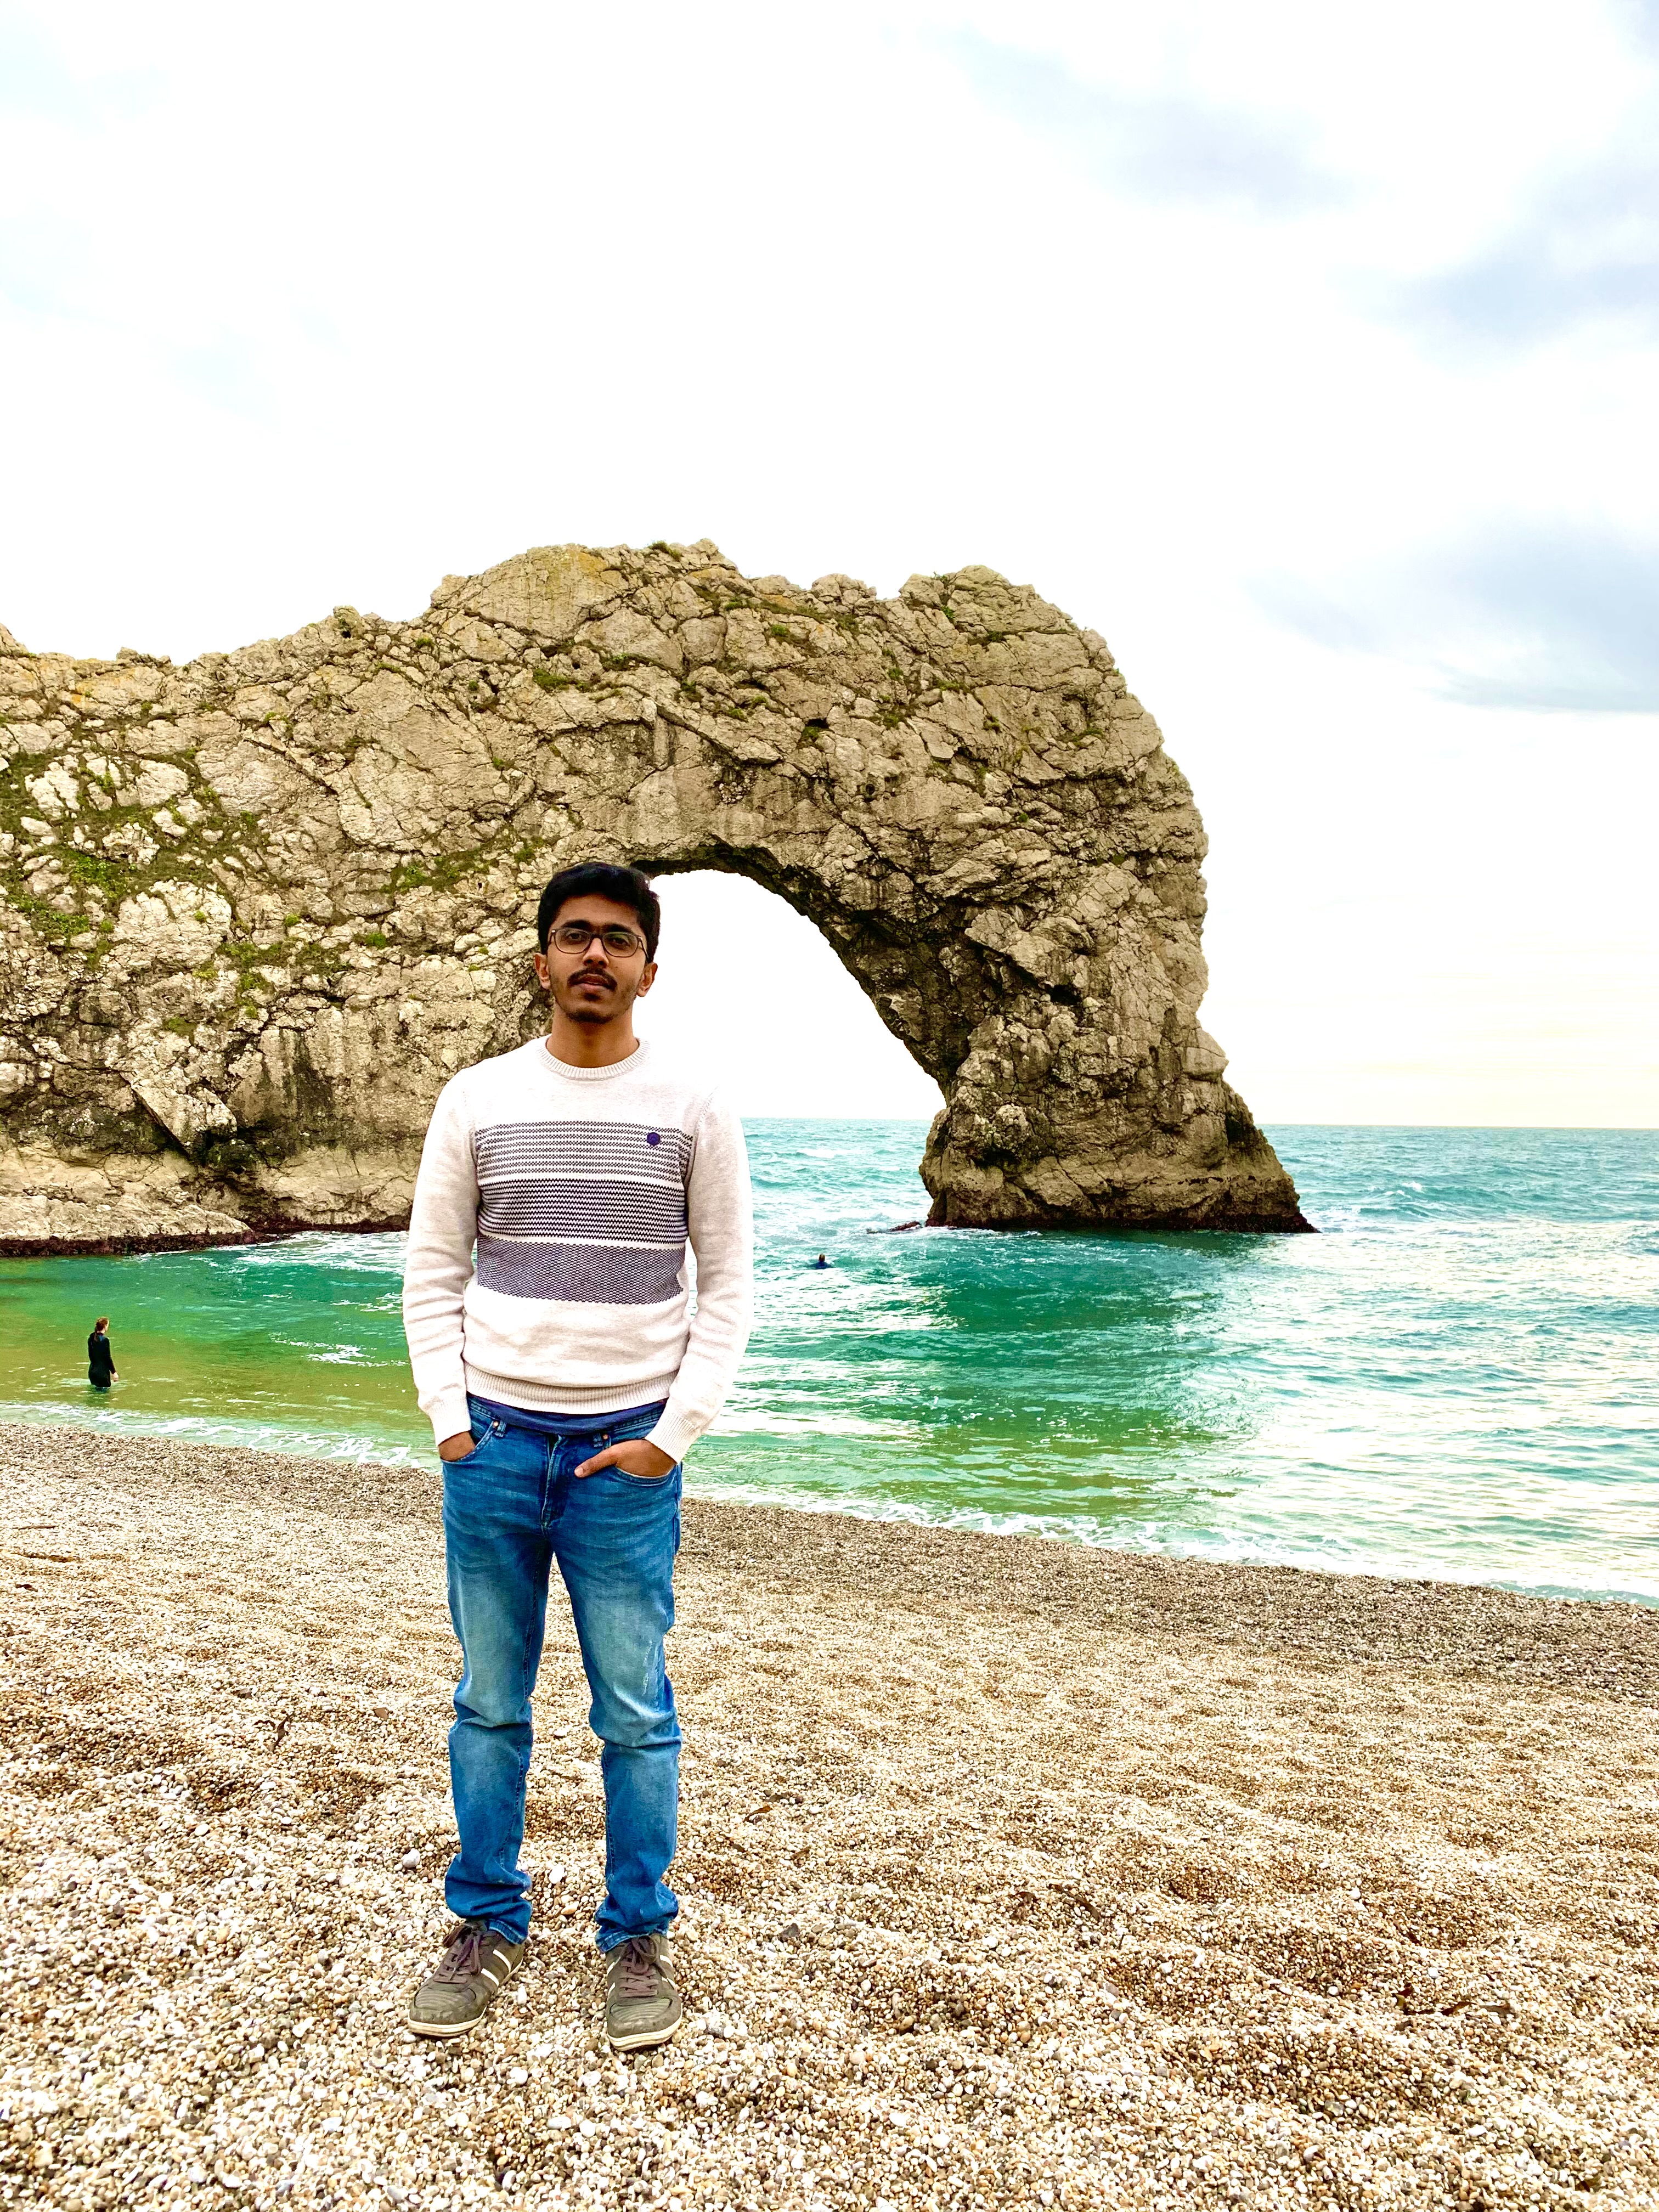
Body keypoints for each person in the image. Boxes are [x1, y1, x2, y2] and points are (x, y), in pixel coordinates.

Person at [401, 861, 753, 2051]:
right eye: (573, 935)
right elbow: (433, 1271)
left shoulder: (695, 1103)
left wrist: (669, 1437)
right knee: (488, 1702)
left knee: (636, 1713)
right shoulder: (478, 1097)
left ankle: (635, 1935)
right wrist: (451, 1422)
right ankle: (485, 1919)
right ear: (543, 959)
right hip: (493, 1446)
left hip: (625, 1460)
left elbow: (728, 1286)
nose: (594, 954)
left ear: (649, 967)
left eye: (617, 938)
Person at [87, 1317, 117, 1390]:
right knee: (105, 1394)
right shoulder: (105, 1340)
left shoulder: (91, 1338)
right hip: (103, 1373)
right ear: (105, 1326)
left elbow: (91, 1355)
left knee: (94, 1393)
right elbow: (108, 1358)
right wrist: (114, 1373)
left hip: (92, 1371)